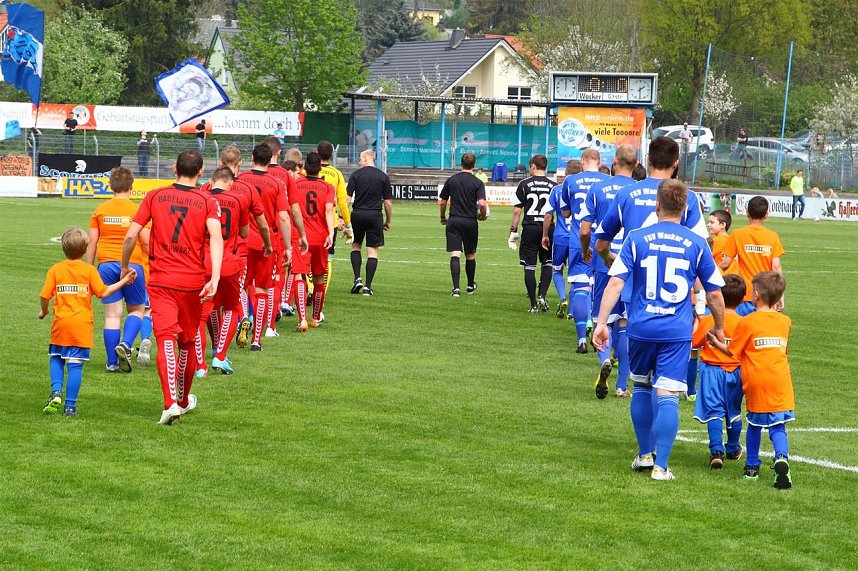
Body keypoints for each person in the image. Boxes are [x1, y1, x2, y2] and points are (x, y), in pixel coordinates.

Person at [592, 179, 726, 481]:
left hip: (641, 326)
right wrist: (719, 327)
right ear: (686, 208)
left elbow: (615, 283)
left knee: (641, 386)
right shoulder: (696, 243)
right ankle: (661, 467)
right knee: (668, 393)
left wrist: (601, 323)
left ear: (657, 206)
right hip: (675, 331)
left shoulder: (636, 238)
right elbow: (715, 293)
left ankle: (644, 455)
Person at [120, 149, 223, 425]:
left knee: (166, 337)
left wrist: (125, 266)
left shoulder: (155, 195)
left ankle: (171, 403)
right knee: (186, 342)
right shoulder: (207, 200)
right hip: (193, 281)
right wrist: (214, 278)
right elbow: (216, 238)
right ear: (201, 172)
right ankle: (182, 400)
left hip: (162, 279)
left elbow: (131, 235)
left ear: (175, 168)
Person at [707, 271, 794, 489]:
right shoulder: (785, 321)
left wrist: (716, 343)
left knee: (754, 425)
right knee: (778, 426)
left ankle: (752, 466)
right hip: (780, 379)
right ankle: (781, 457)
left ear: (756, 295)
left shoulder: (747, 322)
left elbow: (733, 352)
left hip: (756, 379)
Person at [40, 228, 137, 417]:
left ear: (63, 248)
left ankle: (56, 391)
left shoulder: (55, 270)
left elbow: (44, 296)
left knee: (56, 357)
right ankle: (70, 406)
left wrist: (44, 311)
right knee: (75, 365)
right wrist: (124, 280)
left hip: (61, 324)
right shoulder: (89, 270)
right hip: (82, 325)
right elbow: (104, 292)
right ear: (85, 249)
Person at [579, 144, 637, 398]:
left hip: (605, 260)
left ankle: (604, 358)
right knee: (624, 322)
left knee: (602, 319)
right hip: (632, 261)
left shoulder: (598, 188)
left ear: (614, 162)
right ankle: (622, 385)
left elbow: (585, 230)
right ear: (636, 165)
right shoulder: (639, 191)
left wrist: (585, 251)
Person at [201, 166, 272, 375]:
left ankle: (201, 365)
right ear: (231, 182)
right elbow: (245, 231)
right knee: (232, 307)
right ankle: (220, 355)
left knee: (203, 313)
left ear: (211, 180)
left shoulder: (202, 197)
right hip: (230, 261)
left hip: (204, 261)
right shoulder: (239, 199)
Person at [236, 143, 306, 351]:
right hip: (267, 242)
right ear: (270, 161)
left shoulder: (240, 180)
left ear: (251, 158)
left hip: (243, 240)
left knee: (240, 286)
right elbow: (284, 217)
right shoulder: (277, 183)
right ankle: (257, 339)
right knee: (263, 289)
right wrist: (288, 247)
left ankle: (243, 317)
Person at [85, 167, 150, 373]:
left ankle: (112, 362)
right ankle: (126, 344)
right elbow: (146, 242)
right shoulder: (137, 210)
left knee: (112, 316)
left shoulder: (100, 210)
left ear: (111, 186)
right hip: (132, 265)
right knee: (137, 310)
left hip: (105, 265)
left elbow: (92, 244)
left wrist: (88, 271)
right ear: (132, 185)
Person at [554, 148, 610, 352]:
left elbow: (565, 213)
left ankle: (581, 341)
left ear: (583, 161)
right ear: (599, 162)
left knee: (580, 287)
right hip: (603, 240)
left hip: (579, 239)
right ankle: (599, 333)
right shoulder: (608, 181)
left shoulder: (570, 180)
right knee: (602, 288)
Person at [691, 274, 746, 469]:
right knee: (734, 411)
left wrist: (697, 324)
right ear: (742, 299)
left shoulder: (709, 320)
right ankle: (733, 447)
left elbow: (694, 343)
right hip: (736, 371)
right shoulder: (744, 323)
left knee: (714, 411)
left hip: (712, 371)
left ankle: (716, 451)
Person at [289, 151, 336, 331]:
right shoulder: (327, 187)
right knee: (318, 276)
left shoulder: (296, 184)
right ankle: (316, 317)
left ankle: (302, 319)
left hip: (301, 236)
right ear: (320, 169)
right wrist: (330, 232)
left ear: (305, 167)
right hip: (320, 237)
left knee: (299, 274)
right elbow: (329, 209)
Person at [719, 196, 784, 316]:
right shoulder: (772, 236)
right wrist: (780, 294)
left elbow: (725, 263)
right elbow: (776, 267)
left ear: (747, 212)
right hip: (766, 294)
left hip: (744, 293)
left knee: (741, 325)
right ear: (766, 215)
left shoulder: (737, 234)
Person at [509, 154, 555, 312]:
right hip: (548, 228)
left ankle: (533, 304)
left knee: (529, 266)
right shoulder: (554, 185)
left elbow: (517, 211)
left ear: (533, 166)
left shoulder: (524, 184)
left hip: (530, 227)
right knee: (548, 262)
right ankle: (542, 295)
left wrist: (513, 230)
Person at [439, 152, 488, 297]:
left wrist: (442, 216)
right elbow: (482, 203)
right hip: (470, 221)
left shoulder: (452, 180)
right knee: (470, 254)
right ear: (474, 165)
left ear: (461, 163)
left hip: (454, 220)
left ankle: (456, 288)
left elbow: (443, 202)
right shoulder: (478, 182)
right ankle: (470, 286)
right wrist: (482, 215)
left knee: (455, 253)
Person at [347, 150, 392, 296]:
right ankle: (367, 287)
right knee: (372, 251)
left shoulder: (356, 175)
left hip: (358, 214)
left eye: (361, 159)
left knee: (356, 246)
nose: (359, 162)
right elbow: (388, 203)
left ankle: (357, 278)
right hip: (375, 215)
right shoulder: (383, 176)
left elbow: (347, 198)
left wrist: (342, 216)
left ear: (367, 158)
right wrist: (388, 220)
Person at [542, 160, 581, 318]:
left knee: (557, 270)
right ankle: (571, 310)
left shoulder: (557, 190)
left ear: (565, 173)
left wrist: (545, 235)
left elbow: (548, 215)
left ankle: (563, 298)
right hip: (578, 237)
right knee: (576, 274)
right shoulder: (584, 189)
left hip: (561, 237)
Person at [317, 140, 354, 293]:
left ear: (317, 153)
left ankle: (311, 289)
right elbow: (343, 202)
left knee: (309, 257)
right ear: (332, 155)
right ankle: (322, 293)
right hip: (330, 223)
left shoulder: (308, 170)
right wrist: (348, 223)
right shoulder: (337, 174)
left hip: (310, 220)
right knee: (328, 258)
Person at [708, 209, 736, 275]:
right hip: (734, 277)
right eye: (708, 222)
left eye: (712, 222)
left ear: (723, 225)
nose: (708, 225)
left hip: (721, 276)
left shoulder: (715, 241)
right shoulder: (732, 239)